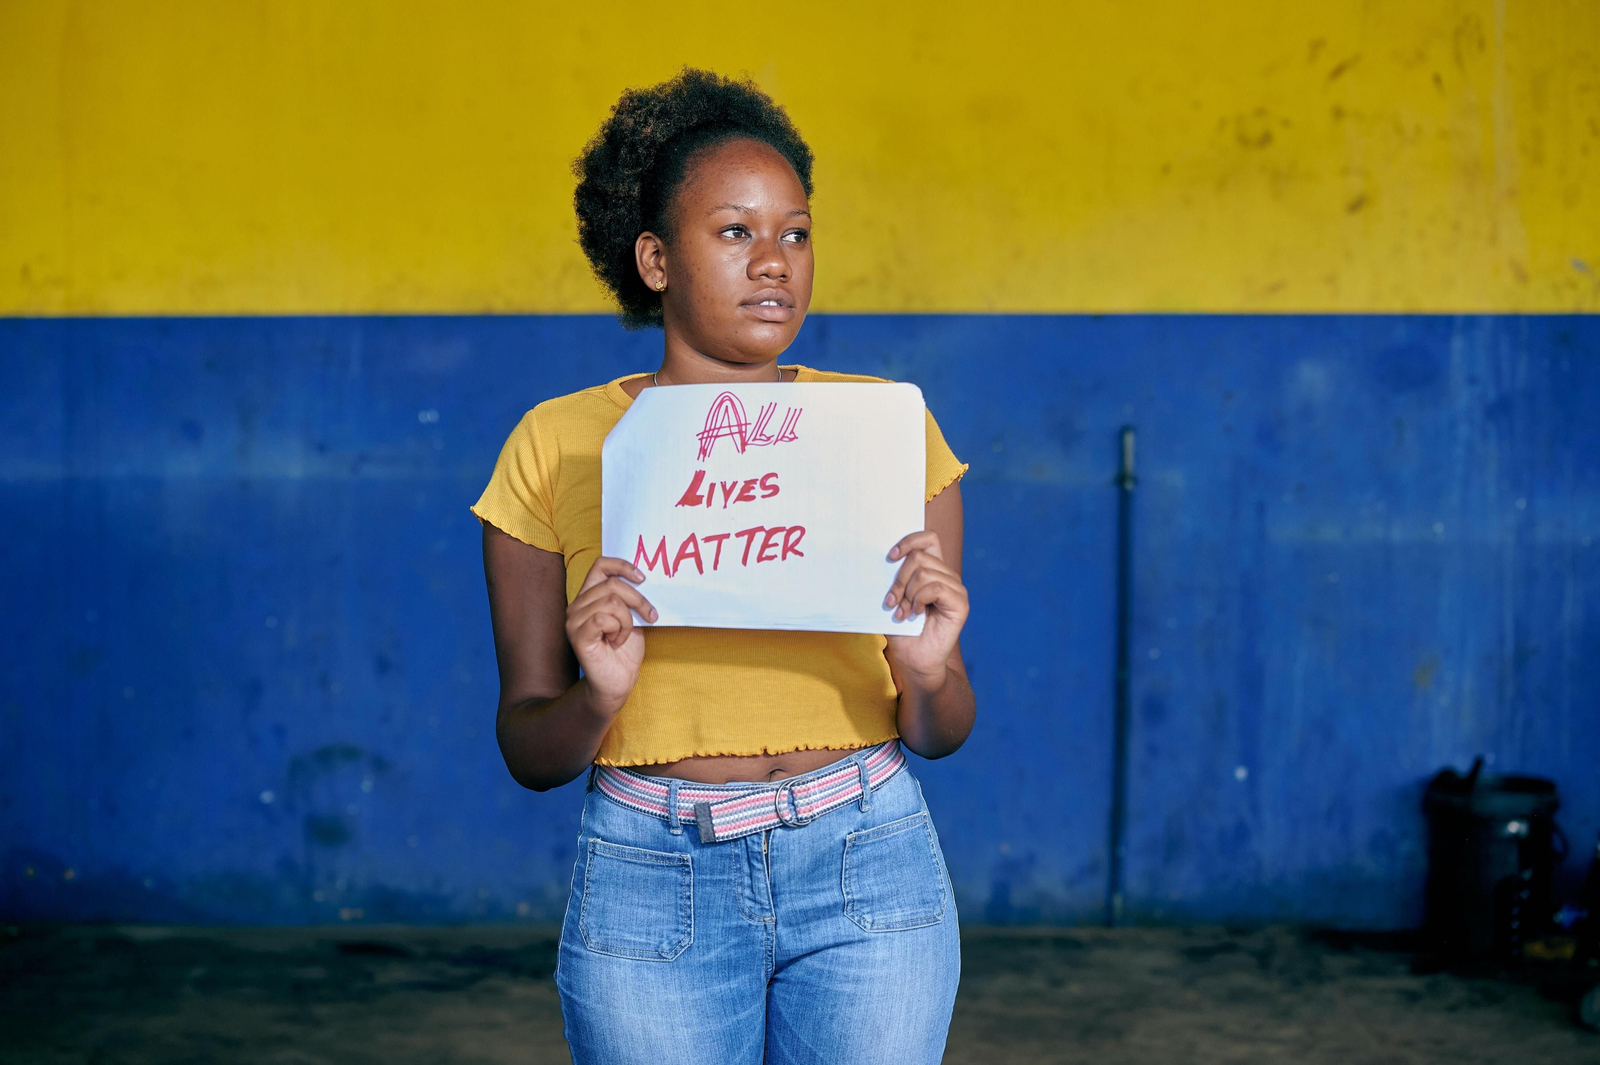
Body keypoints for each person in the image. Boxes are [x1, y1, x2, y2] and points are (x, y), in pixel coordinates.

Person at [472, 68, 974, 1065]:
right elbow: (530, 750)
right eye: (735, 232)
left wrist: (927, 673)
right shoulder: (556, 444)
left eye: (795, 232)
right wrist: (597, 695)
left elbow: (943, 730)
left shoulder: (885, 430)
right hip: (651, 875)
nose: (775, 263)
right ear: (654, 258)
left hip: (869, 862)